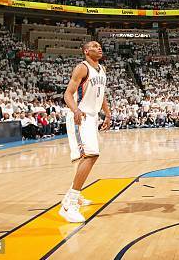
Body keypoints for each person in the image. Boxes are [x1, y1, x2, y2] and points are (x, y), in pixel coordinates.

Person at [59, 41, 111, 223]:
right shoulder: (82, 68)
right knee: (90, 155)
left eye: (100, 46)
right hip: (80, 116)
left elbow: (101, 93)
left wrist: (108, 114)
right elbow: (67, 94)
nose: (99, 47)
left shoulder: (102, 69)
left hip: (92, 116)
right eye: (95, 46)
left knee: (84, 157)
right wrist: (75, 111)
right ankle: (69, 202)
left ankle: (75, 197)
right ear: (86, 51)